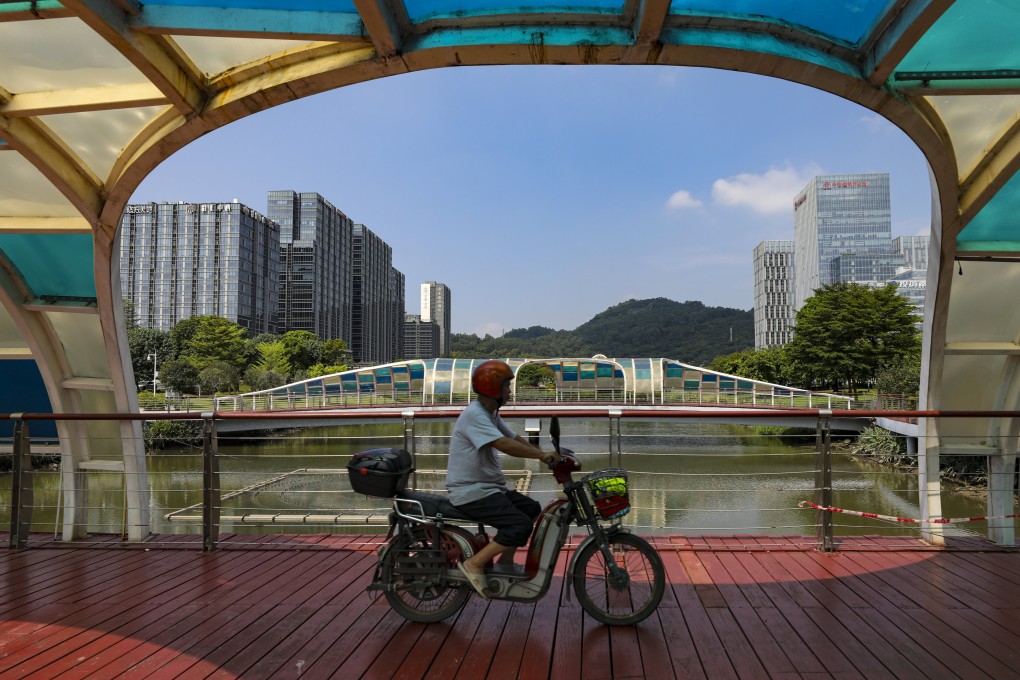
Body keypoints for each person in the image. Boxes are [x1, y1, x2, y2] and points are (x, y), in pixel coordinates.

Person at [446, 360, 560, 597]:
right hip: (472, 493)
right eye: (507, 386)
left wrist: (546, 454)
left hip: (488, 489)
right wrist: (540, 455)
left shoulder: (489, 414)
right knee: (520, 525)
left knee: (531, 508)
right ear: (493, 388)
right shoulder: (475, 415)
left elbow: (514, 437)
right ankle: (475, 563)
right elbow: (503, 444)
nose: (510, 391)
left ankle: (506, 561)